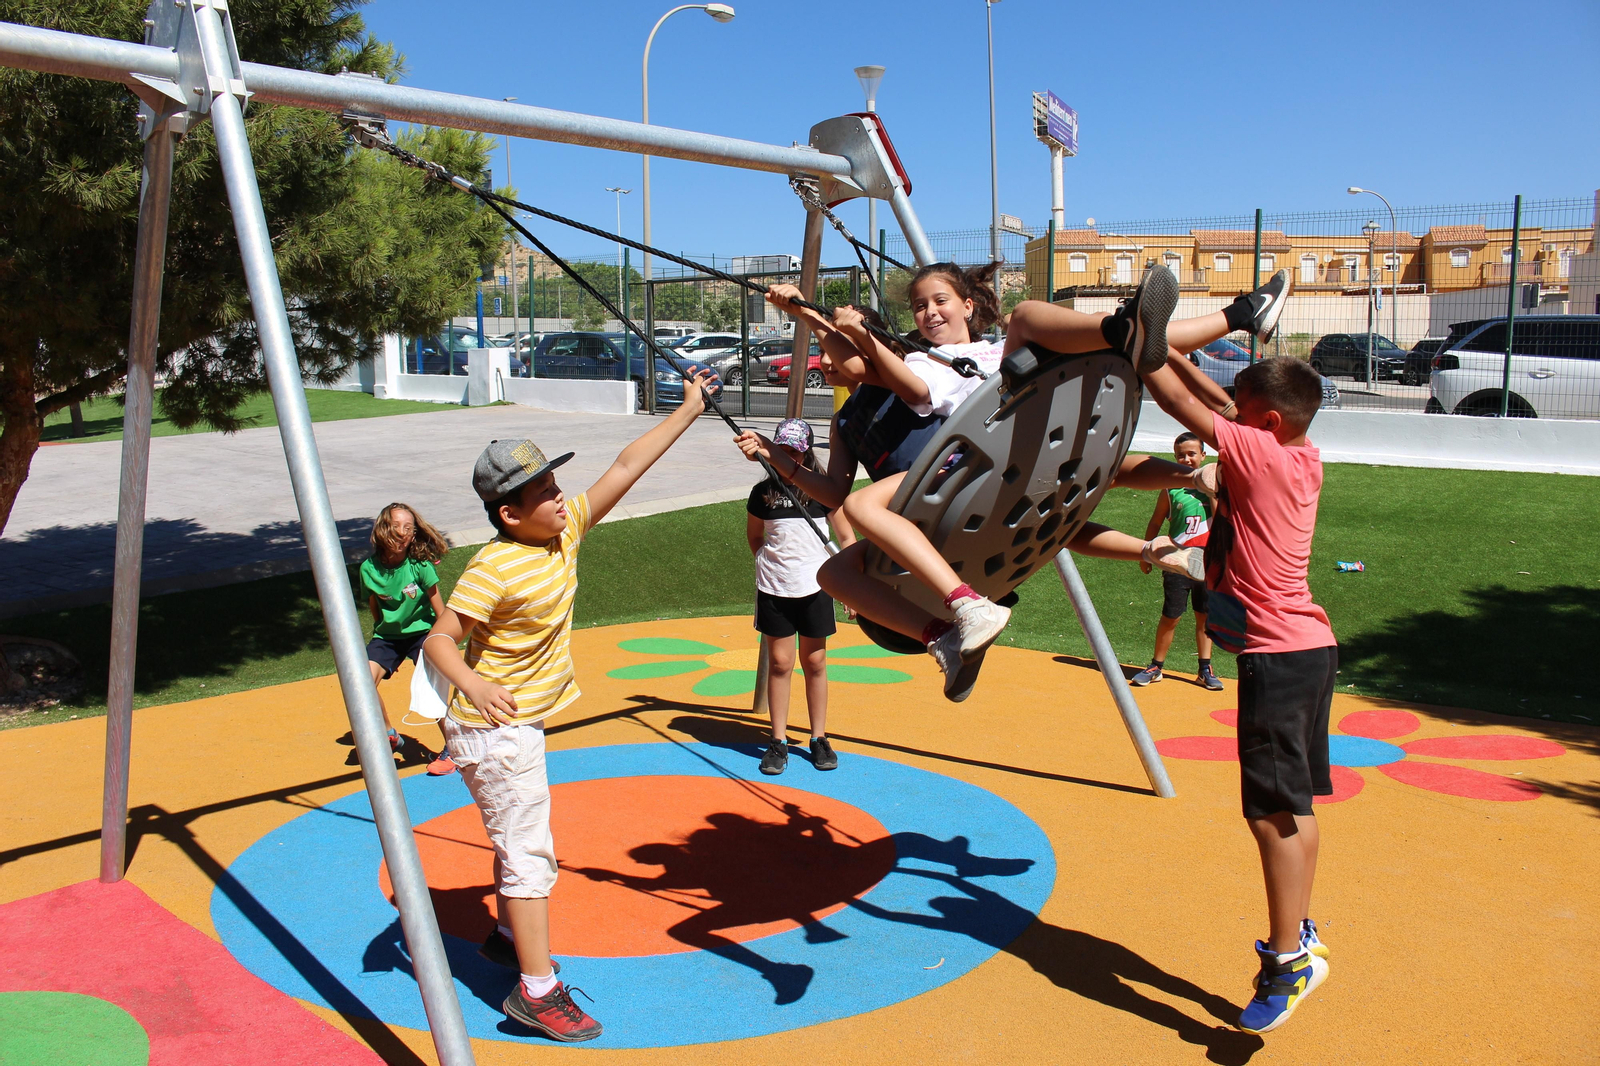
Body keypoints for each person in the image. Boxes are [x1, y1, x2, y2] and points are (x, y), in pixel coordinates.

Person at [423, 367, 715, 1043]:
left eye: (556, 486)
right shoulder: (493, 567)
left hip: (516, 723)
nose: (560, 498)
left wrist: (691, 409)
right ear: (508, 514)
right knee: (530, 856)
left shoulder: (564, 533)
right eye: (544, 493)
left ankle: (504, 939)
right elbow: (441, 639)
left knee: (514, 842)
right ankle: (536, 992)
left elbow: (625, 465)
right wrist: (474, 683)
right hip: (493, 726)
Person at [1130, 280, 1336, 1035]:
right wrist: (1210, 342)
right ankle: (1301, 933)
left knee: (1271, 816)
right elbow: (1212, 400)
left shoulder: (1256, 451)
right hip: (1308, 650)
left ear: (1265, 421)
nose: (1227, 416)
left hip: (1278, 659)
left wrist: (1142, 333)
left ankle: (1289, 961)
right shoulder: (1297, 451)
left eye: (1239, 412)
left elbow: (1167, 387)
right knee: (1295, 806)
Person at [745, 418, 845, 776]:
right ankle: (778, 741)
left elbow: (845, 539)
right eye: (780, 450)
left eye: (794, 451)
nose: (786, 457)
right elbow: (755, 536)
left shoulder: (823, 493)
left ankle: (818, 738)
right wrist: (764, 560)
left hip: (816, 588)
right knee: (781, 664)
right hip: (775, 589)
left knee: (815, 663)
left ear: (805, 453)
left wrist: (852, 585)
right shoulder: (762, 493)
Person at [358, 502, 455, 775]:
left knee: (430, 687)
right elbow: (375, 606)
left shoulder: (419, 565)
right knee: (361, 682)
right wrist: (382, 636)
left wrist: (443, 643)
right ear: (381, 530)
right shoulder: (368, 569)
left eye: (408, 528)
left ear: (414, 536)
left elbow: (441, 611)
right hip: (387, 637)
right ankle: (389, 733)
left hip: (423, 633)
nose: (402, 533)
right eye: (396, 526)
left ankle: (454, 748)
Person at [1130, 432, 1225, 691]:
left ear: (1204, 456)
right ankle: (1156, 666)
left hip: (1207, 564)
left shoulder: (1217, 489)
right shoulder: (1170, 490)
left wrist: (1212, 491)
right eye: (1181, 455)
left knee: (1204, 617)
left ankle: (1205, 669)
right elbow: (1155, 521)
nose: (1186, 459)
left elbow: (1221, 523)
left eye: (1192, 454)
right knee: (1171, 616)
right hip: (1177, 561)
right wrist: (1144, 553)